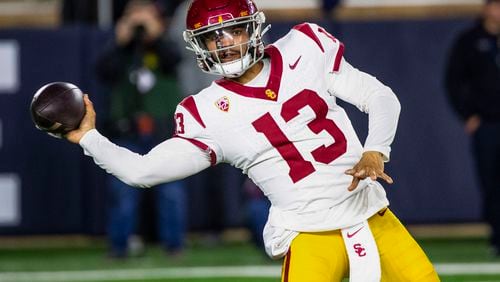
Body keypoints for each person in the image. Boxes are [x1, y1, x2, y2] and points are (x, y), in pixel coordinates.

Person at [67, 0, 438, 280]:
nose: (225, 44)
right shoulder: (205, 112)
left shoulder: (304, 47)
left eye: (234, 31)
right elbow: (142, 170)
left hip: (373, 215)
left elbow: (380, 96)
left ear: (254, 29)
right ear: (199, 47)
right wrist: (89, 137)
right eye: (212, 37)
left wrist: (376, 149)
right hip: (309, 233)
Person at [94, 0, 187, 258]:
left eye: (144, 16)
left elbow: (175, 59)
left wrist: (155, 35)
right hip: (127, 129)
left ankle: (174, 245)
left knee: (171, 192)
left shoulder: (166, 45)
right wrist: (119, 42)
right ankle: (119, 246)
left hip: (163, 129)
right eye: (132, 16)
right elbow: (102, 71)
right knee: (122, 192)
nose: (139, 23)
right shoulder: (121, 52)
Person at [445, 0, 500, 257]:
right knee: (491, 182)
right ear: (486, 8)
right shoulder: (470, 41)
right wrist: (468, 114)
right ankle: (497, 237)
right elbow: (453, 80)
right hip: (487, 124)